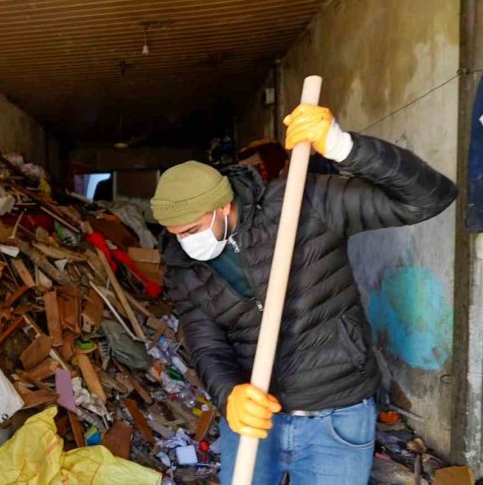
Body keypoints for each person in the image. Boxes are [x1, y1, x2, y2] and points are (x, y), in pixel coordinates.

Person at [150, 105, 457, 484]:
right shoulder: (184, 265)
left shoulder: (304, 203)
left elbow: (429, 198)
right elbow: (205, 343)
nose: (185, 241)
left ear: (223, 205)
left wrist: (346, 148)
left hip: (337, 415)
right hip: (256, 418)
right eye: (176, 233)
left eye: (191, 229)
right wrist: (229, 395)